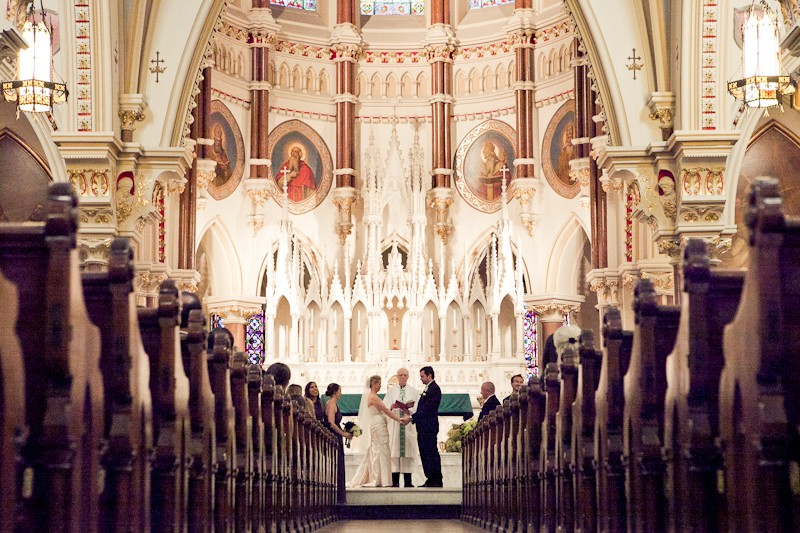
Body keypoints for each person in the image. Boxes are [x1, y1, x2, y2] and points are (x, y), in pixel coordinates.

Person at [349, 375, 410, 488]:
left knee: (381, 449)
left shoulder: (374, 396)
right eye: (379, 383)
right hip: (378, 424)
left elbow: (385, 409)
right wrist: (399, 420)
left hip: (379, 423)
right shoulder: (373, 397)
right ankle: (378, 478)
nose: (381, 385)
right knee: (380, 449)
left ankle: (381, 478)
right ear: (373, 384)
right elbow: (385, 410)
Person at [383, 367, 420, 487]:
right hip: (395, 425)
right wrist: (393, 406)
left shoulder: (414, 391)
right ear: (397, 377)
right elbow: (385, 406)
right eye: (400, 375)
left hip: (407, 424)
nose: (403, 377)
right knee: (395, 452)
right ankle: (395, 482)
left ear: (408, 377)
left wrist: (408, 408)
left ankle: (408, 482)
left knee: (407, 453)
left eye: (405, 375)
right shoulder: (391, 391)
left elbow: (418, 408)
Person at [411, 366, 443, 487]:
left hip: (428, 427)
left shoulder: (434, 389)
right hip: (424, 427)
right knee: (426, 453)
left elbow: (428, 409)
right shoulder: (429, 388)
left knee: (430, 453)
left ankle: (435, 478)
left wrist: (411, 418)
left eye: (422, 376)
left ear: (429, 375)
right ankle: (431, 478)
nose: (421, 379)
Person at [323, 383, 351, 504]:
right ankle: (339, 497)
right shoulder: (331, 404)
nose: (341, 393)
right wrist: (343, 433)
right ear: (335, 392)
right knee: (337, 463)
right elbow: (331, 422)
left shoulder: (331, 403)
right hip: (334, 436)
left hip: (337, 435)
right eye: (340, 391)